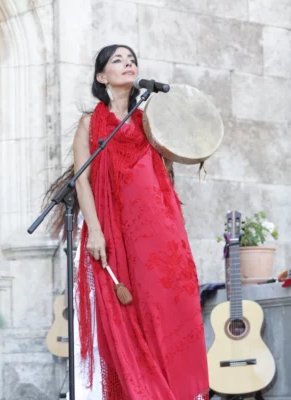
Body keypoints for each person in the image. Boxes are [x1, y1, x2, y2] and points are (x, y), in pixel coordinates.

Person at [46, 44, 209, 400]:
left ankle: (176, 391)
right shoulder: (91, 124)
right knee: (127, 313)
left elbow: (180, 151)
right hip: (116, 232)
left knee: (166, 310)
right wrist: (96, 232)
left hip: (160, 232)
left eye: (132, 59)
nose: (128, 63)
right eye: (117, 60)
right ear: (101, 76)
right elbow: (82, 179)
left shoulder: (149, 119)